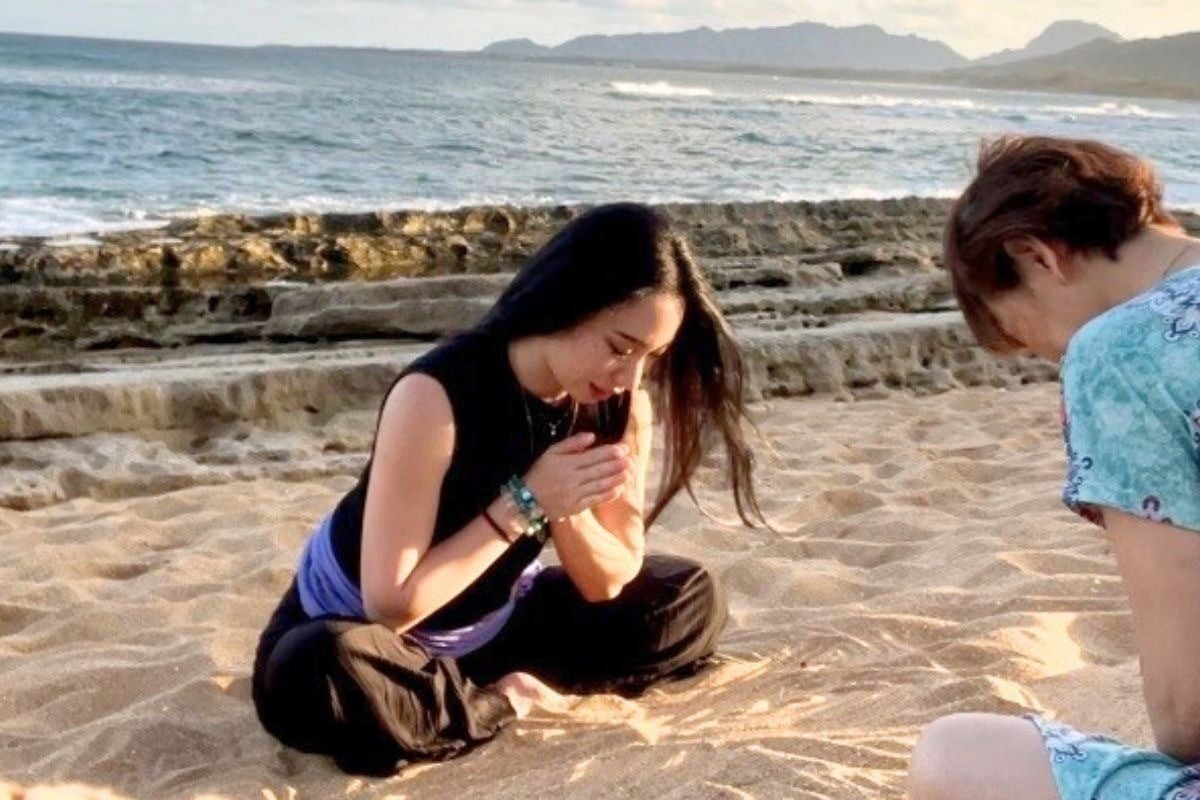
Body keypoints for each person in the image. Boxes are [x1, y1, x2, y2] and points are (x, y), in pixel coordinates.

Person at [252, 202, 765, 775]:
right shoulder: (435, 395)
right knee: (320, 664)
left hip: (492, 629)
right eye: (620, 348)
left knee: (691, 596)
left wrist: (565, 507)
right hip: (366, 635)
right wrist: (526, 502)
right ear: (569, 302)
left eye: (652, 357)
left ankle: (460, 700)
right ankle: (504, 700)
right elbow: (388, 604)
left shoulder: (619, 407)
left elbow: (608, 580)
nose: (629, 377)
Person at [907, 135, 1200, 800]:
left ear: (1035, 255)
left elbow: (1188, 714)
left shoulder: (1122, 350)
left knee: (954, 755)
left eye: (1046, 348)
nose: (1064, 363)